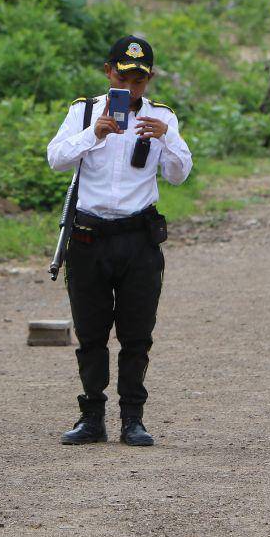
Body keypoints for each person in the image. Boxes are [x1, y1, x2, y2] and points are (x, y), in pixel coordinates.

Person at [47, 35, 192, 447]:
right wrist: (94, 134)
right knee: (91, 332)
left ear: (150, 79)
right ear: (108, 72)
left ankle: (133, 419)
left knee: (136, 333)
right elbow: (56, 159)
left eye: (140, 81)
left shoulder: (161, 118)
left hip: (138, 239)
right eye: (124, 78)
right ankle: (91, 416)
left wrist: (167, 137)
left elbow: (179, 174)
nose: (132, 89)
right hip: (89, 237)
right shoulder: (84, 113)